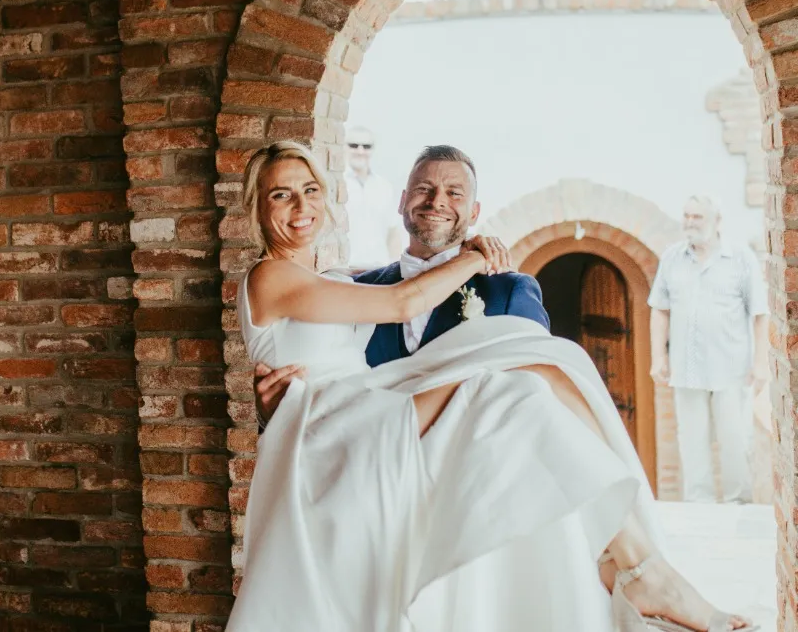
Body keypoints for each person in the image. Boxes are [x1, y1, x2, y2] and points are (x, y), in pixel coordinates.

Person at [226, 141, 756, 632]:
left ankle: (636, 563)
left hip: (370, 417)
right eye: (281, 194)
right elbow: (402, 302)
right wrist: (475, 256)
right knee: (525, 379)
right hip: (343, 429)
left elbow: (322, 329)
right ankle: (640, 570)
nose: (301, 205)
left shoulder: (339, 280)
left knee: (540, 375)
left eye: (310, 190)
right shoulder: (273, 276)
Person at [648, 195, 768, 504]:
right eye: (686, 215)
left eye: (697, 217)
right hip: (686, 370)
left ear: (717, 221)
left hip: (731, 369)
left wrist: (761, 363)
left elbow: (759, 314)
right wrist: (658, 357)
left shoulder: (740, 258)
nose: (689, 222)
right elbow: (659, 309)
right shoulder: (672, 258)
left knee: (735, 442)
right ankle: (698, 510)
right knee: (691, 443)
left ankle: (739, 506)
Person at [344, 126, 404, 269]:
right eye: (354, 145)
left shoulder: (384, 187)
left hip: (379, 268)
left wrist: (394, 267)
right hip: (345, 268)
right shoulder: (336, 184)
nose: (360, 151)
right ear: (344, 147)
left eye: (366, 146)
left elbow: (393, 231)